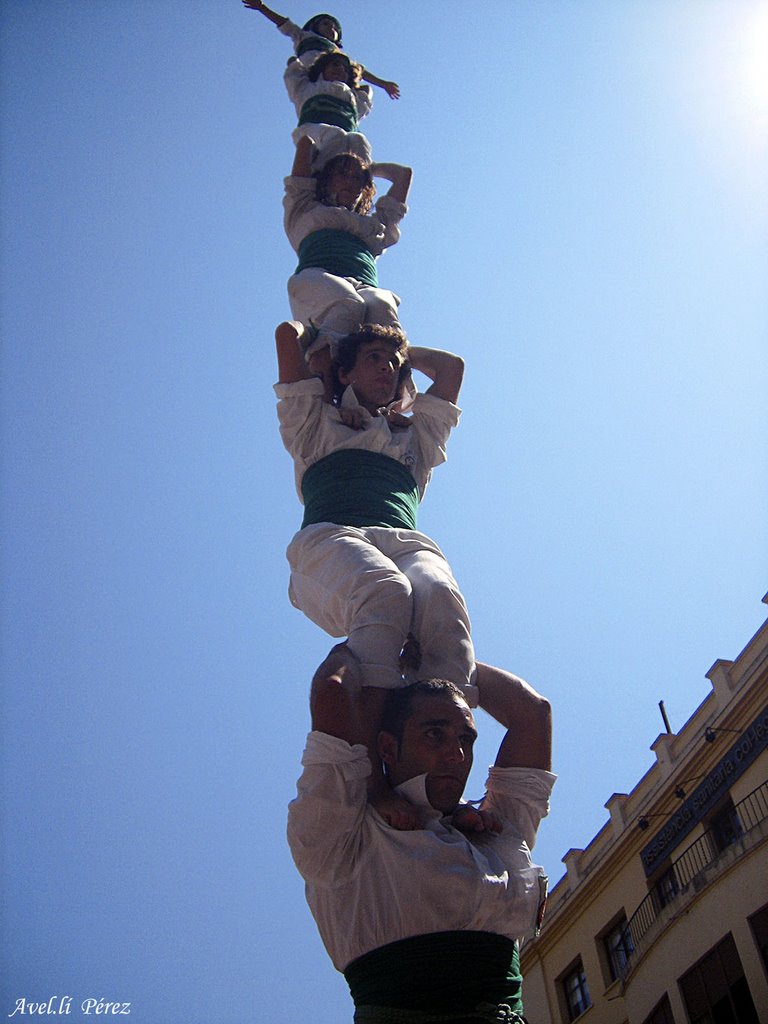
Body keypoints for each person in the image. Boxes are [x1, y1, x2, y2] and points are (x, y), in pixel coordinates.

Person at [287, 643, 556, 1023]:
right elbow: (334, 692)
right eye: (435, 734)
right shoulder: (348, 836)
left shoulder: (494, 836)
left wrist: (445, 660)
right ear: (387, 747)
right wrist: (370, 640)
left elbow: (533, 713)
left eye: (466, 739)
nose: (457, 755)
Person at [275, 322, 475, 822]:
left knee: (441, 605)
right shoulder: (315, 425)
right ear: (343, 371)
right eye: (373, 359)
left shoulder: (414, 437)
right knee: (386, 592)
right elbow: (286, 336)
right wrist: (329, 330)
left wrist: (398, 346)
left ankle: (433, 784)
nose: (387, 368)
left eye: (393, 363)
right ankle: (371, 779)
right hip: (332, 540)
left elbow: (452, 370)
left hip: (402, 541)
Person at [283, 134, 412, 359]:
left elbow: (403, 175)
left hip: (364, 285)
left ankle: (395, 386)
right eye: (342, 174)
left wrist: (369, 169)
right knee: (348, 304)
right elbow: (305, 143)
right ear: (325, 179)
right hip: (319, 276)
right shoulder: (304, 209)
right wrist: (332, 158)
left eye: (357, 179)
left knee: (383, 311)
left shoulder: (374, 227)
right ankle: (321, 370)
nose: (350, 182)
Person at [242, 1, 400, 98]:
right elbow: (283, 23)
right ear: (315, 26)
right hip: (312, 76)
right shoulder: (304, 36)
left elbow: (359, 71)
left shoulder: (339, 56)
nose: (331, 28)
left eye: (334, 28)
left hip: (337, 84)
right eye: (326, 24)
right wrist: (262, 7)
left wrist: (383, 84)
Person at [284, 51, 373, 167]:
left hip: (346, 132)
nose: (340, 69)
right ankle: (319, 174)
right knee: (336, 135)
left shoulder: (351, 97)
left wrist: (355, 80)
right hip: (313, 130)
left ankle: (362, 181)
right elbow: (293, 70)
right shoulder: (306, 87)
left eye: (345, 69)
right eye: (335, 65)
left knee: (360, 141)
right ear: (322, 69)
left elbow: (366, 92)